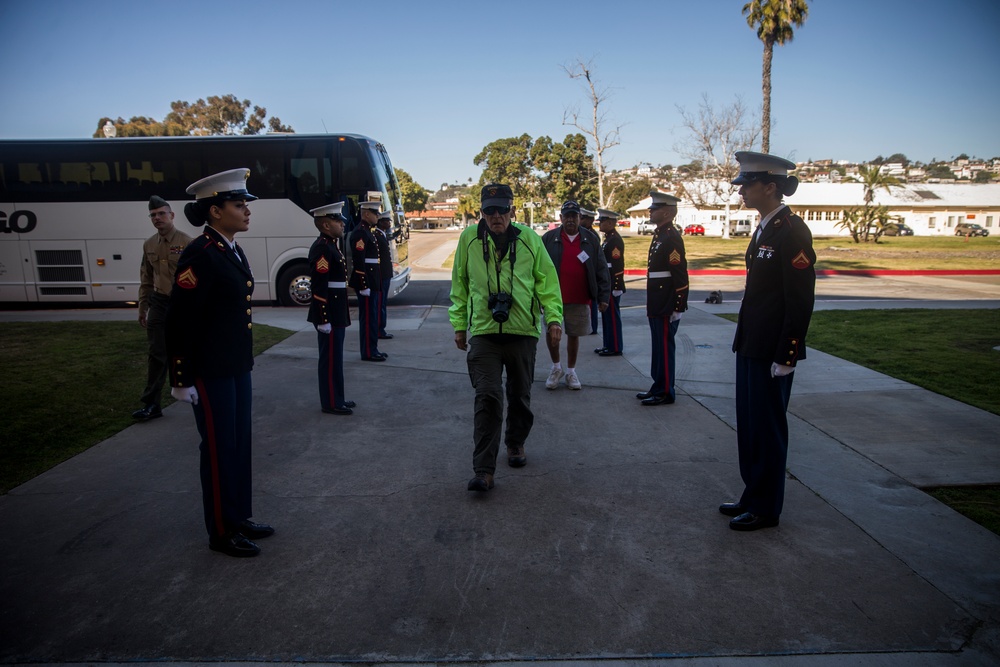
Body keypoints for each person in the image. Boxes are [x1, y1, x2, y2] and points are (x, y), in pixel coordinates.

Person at [165, 168, 273, 558]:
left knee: (238, 444)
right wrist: (180, 377)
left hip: (234, 366)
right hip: (209, 371)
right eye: (238, 204)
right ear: (214, 211)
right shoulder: (201, 253)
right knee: (217, 448)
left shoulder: (230, 247)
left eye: (245, 204)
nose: (246, 211)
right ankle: (221, 532)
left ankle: (239, 516)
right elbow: (179, 318)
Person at [720, 151, 816, 532]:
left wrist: (788, 352)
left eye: (748, 183)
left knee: (768, 428)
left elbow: (800, 299)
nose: (741, 189)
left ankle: (766, 507)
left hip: (773, 348)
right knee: (749, 425)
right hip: (752, 342)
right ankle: (752, 494)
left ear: (771, 187)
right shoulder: (764, 228)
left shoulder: (792, 231)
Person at [449, 183, 563, 492]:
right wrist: (460, 324)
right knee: (488, 396)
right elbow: (460, 283)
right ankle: (483, 470)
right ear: (481, 212)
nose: (496, 216)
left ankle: (515, 443)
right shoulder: (468, 239)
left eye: (502, 209)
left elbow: (547, 282)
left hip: (522, 332)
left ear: (512, 209)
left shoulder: (529, 240)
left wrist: (553, 317)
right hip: (484, 332)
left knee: (520, 395)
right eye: (490, 210)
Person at [133, 195, 192, 421]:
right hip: (158, 302)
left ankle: (198, 393)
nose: (157, 218)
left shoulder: (187, 242)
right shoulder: (149, 244)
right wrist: (142, 307)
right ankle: (152, 404)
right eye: (153, 215)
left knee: (189, 351)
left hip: (182, 303)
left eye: (161, 213)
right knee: (157, 353)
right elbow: (146, 278)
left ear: (171, 215)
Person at [541, 201, 610, 390]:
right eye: (567, 216)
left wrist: (603, 296)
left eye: (574, 216)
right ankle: (556, 368)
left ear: (579, 217)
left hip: (580, 298)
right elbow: (537, 268)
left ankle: (571, 371)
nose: (570, 219)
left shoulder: (590, 239)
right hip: (553, 299)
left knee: (574, 334)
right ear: (561, 218)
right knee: (551, 333)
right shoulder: (549, 238)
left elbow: (601, 268)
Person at [636, 192, 689, 406]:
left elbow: (679, 274)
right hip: (657, 299)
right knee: (658, 347)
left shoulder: (671, 237)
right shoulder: (660, 235)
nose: (650, 211)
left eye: (654, 208)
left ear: (666, 212)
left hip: (666, 301)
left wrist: (678, 305)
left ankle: (665, 391)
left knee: (665, 348)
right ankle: (658, 385)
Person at [307, 202, 355, 416]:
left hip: (336, 311)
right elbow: (319, 286)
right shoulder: (322, 247)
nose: (342, 224)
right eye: (337, 221)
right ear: (326, 225)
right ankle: (331, 402)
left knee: (336, 358)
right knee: (329, 360)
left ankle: (339, 397)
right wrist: (323, 318)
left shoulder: (331, 244)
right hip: (330, 314)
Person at [349, 201, 386, 361]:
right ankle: (368, 352)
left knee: (372, 316)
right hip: (367, 283)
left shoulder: (367, 232)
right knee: (367, 319)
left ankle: (373, 348)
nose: (377, 216)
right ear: (365, 214)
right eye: (374, 213)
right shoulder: (360, 233)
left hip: (372, 281)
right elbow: (359, 261)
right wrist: (363, 285)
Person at [594, 208, 625, 356]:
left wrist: (616, 286)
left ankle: (615, 346)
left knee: (612, 317)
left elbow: (617, 266)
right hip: (607, 283)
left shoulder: (615, 240)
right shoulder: (608, 239)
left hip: (612, 284)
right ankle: (608, 344)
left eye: (603, 221)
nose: (600, 224)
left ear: (612, 222)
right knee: (607, 317)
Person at [579, 207, 600, 335]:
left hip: (591, 271)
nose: (580, 221)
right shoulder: (582, 233)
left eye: (582, 218)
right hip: (584, 271)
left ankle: (593, 326)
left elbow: (593, 255)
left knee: (592, 302)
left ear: (590, 221)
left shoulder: (592, 236)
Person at [375, 211, 394, 340]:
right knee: (380, 303)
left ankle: (381, 328)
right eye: (387, 221)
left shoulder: (382, 235)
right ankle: (380, 329)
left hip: (385, 275)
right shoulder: (377, 236)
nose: (389, 223)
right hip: (382, 276)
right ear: (381, 222)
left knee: (382, 303)